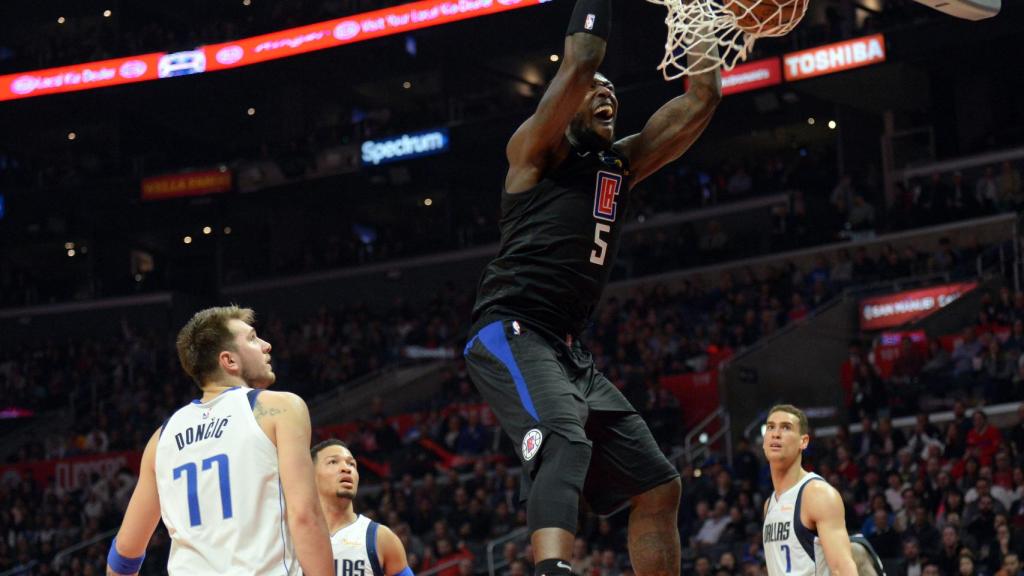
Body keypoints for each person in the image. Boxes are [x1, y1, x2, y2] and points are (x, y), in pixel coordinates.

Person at [463, 0, 721, 574]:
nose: (607, 96)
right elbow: (582, 58)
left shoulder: (620, 165)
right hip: (511, 328)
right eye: (594, 91)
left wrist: (702, 19)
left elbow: (701, 100)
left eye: (613, 92)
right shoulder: (535, 152)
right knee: (564, 438)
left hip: (566, 348)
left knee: (658, 483)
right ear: (564, 102)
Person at [106, 306, 333, 575]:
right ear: (229, 361)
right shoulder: (280, 408)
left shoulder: (161, 439)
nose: (266, 345)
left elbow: (125, 552)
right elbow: (305, 516)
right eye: (252, 338)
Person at [762, 405, 859, 576]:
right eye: (770, 427)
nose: (776, 434)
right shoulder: (769, 504)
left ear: (804, 441)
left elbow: (842, 568)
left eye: (786, 427)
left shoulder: (818, 494)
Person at [312, 439, 412, 576]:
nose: (346, 468)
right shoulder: (289, 536)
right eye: (333, 462)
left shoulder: (381, 538)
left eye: (351, 464)